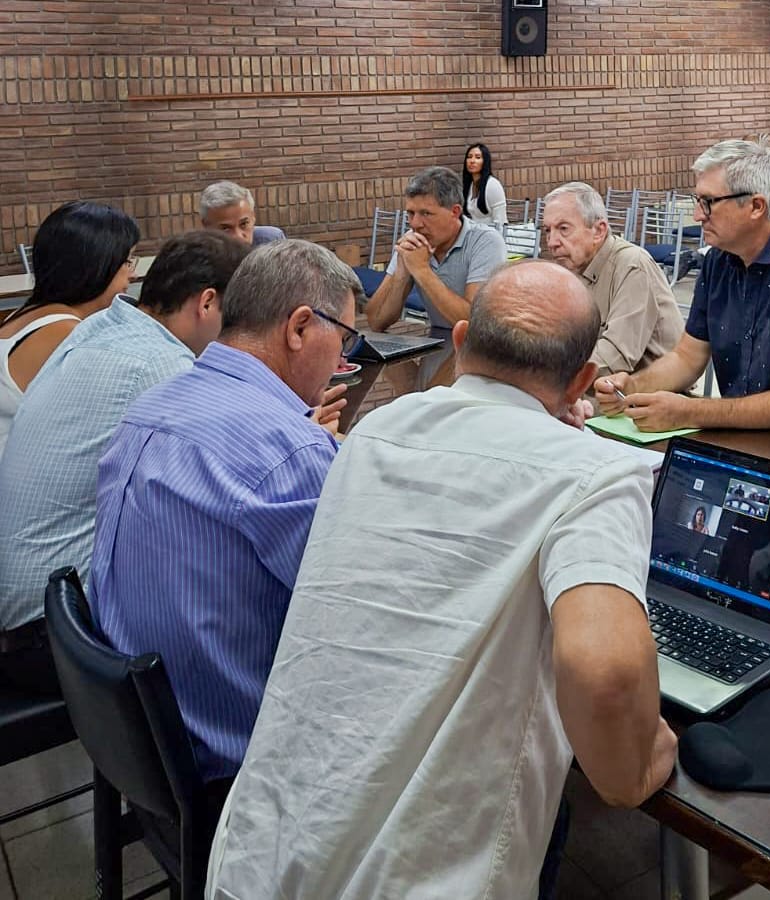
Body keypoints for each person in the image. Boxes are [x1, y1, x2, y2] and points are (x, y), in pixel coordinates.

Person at [206, 260, 677, 900]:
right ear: (583, 382)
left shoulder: (375, 432)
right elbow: (605, 671)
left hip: (263, 850)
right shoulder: (599, 474)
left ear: (458, 345)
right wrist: (636, 770)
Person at [90, 240, 363, 806]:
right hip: (233, 769)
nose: (343, 362)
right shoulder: (287, 451)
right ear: (300, 327)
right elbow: (362, 610)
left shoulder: (154, 404)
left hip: (139, 738)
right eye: (345, 340)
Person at [0, 232, 251, 695]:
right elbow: (237, 472)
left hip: (23, 603)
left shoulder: (103, 328)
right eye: (234, 323)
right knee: (236, 582)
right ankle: (207, 753)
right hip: (53, 630)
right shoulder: (160, 365)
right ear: (207, 303)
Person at [594, 139, 770, 432]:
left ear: (756, 206)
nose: (698, 215)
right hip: (736, 436)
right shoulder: (717, 262)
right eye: (697, 201)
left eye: (709, 202)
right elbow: (688, 357)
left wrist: (691, 412)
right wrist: (632, 386)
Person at [0, 201, 139, 454]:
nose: (132, 275)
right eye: (127, 261)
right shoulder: (67, 334)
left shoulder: (25, 315)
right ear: (98, 266)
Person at [542, 181, 683, 377]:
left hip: (649, 394)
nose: (552, 242)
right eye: (548, 230)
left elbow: (614, 359)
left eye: (563, 229)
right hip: (599, 389)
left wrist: (546, 376)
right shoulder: (573, 266)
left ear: (598, 231)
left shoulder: (633, 265)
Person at [365, 166, 508, 332]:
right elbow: (375, 321)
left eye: (426, 213)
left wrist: (422, 270)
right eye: (411, 213)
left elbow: (473, 324)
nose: (415, 224)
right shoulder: (413, 241)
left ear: (454, 212)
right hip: (441, 342)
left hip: (481, 350)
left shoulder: (486, 241)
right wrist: (401, 274)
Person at [199, 181, 286, 246]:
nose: (238, 236)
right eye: (225, 228)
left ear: (253, 217)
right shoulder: (197, 257)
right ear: (206, 226)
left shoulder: (272, 241)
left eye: (244, 224)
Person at [462, 142, 508, 226]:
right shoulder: (470, 185)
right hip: (476, 234)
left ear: (485, 161)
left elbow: (500, 222)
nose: (472, 161)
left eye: (478, 157)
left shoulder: (493, 185)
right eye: (469, 157)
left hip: (492, 235)